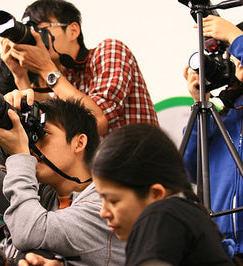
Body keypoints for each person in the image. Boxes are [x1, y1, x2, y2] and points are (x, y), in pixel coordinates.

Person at [20, 123, 234, 266]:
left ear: (156, 194)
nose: (104, 212)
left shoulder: (163, 213)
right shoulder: (185, 216)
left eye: (113, 200)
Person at [0, 90, 126, 265]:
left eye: (42, 133)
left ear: (79, 142)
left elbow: (30, 232)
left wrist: (20, 155)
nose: (32, 144)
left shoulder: (104, 205)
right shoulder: (43, 194)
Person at [0, 0, 158, 136]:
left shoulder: (109, 50)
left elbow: (95, 122)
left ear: (73, 30)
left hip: (142, 167)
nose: (35, 39)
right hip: (104, 171)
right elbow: (47, 126)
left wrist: (46, 69)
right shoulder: (64, 80)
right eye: (31, 32)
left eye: (41, 29)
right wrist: (19, 75)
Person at [183, 15, 243, 258]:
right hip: (223, 249)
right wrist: (201, 102)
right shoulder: (223, 116)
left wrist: (234, 36)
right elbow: (191, 169)